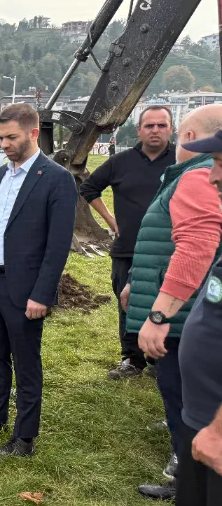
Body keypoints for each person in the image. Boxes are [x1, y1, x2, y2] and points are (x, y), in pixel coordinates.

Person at [129, 123, 222, 506]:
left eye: (221, 162)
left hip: (214, 418)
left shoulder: (194, 186)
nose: (213, 174)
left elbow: (193, 247)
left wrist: (218, 426)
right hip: (200, 405)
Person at [0, 104, 78, 457]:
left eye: (11, 137)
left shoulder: (57, 179)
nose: (4, 144)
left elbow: (57, 245)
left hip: (25, 289)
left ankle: (24, 437)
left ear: (33, 133)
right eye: (0, 138)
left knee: (26, 362)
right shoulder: (0, 175)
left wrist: (42, 294)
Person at [80, 106, 176, 380]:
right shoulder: (120, 162)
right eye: (149, 126)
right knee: (128, 302)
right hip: (127, 248)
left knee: (167, 303)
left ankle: (161, 359)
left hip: (168, 250)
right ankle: (132, 359)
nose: (155, 130)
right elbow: (88, 188)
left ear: (171, 129)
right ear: (139, 130)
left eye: (161, 125)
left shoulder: (181, 161)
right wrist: (110, 219)